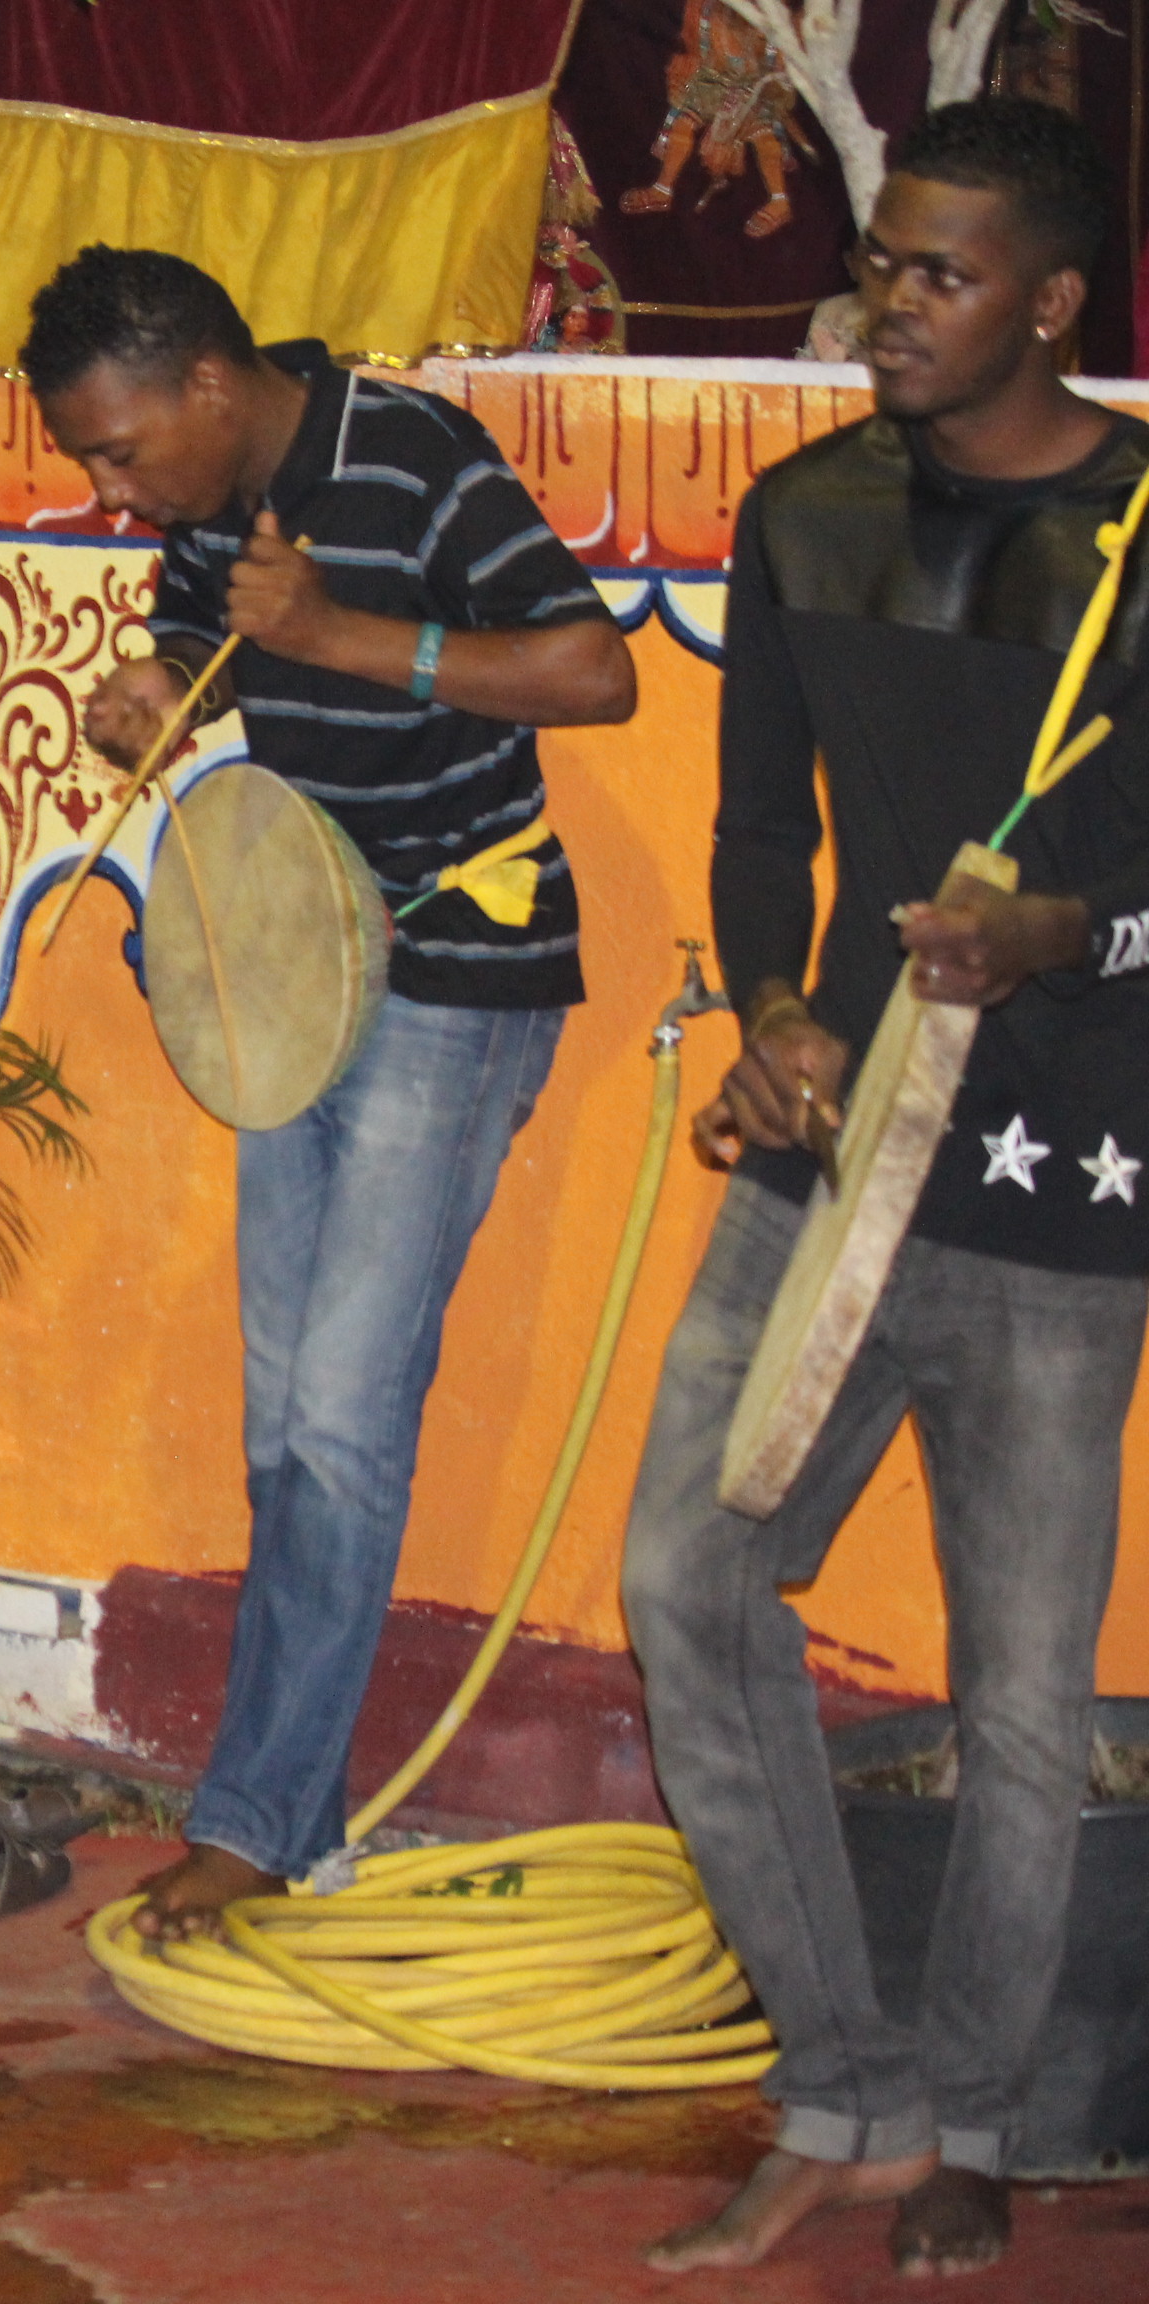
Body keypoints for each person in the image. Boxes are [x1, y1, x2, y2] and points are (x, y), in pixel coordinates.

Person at [621, 99, 1149, 2281]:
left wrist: (1074, 943)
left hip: (1064, 1182)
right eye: (879, 268)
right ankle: (846, 2085)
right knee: (684, 1585)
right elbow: (765, 828)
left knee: (1019, 1698)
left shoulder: (1143, 528)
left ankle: (988, 2126)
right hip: (837, 1163)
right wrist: (772, 1008)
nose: (884, 310)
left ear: (1052, 301)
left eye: (937, 275)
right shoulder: (804, 507)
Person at [24, 248, 638, 1942]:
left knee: (343, 1422)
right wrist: (151, 693)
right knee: (286, 1417)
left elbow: (597, 672)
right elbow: (198, 652)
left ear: (212, 387)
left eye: (125, 452)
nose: (111, 486)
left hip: (457, 970)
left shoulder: (414, 455)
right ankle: (277, 1801)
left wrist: (341, 632)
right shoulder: (208, 500)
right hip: (301, 974)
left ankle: (264, 1817)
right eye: (92, 458)